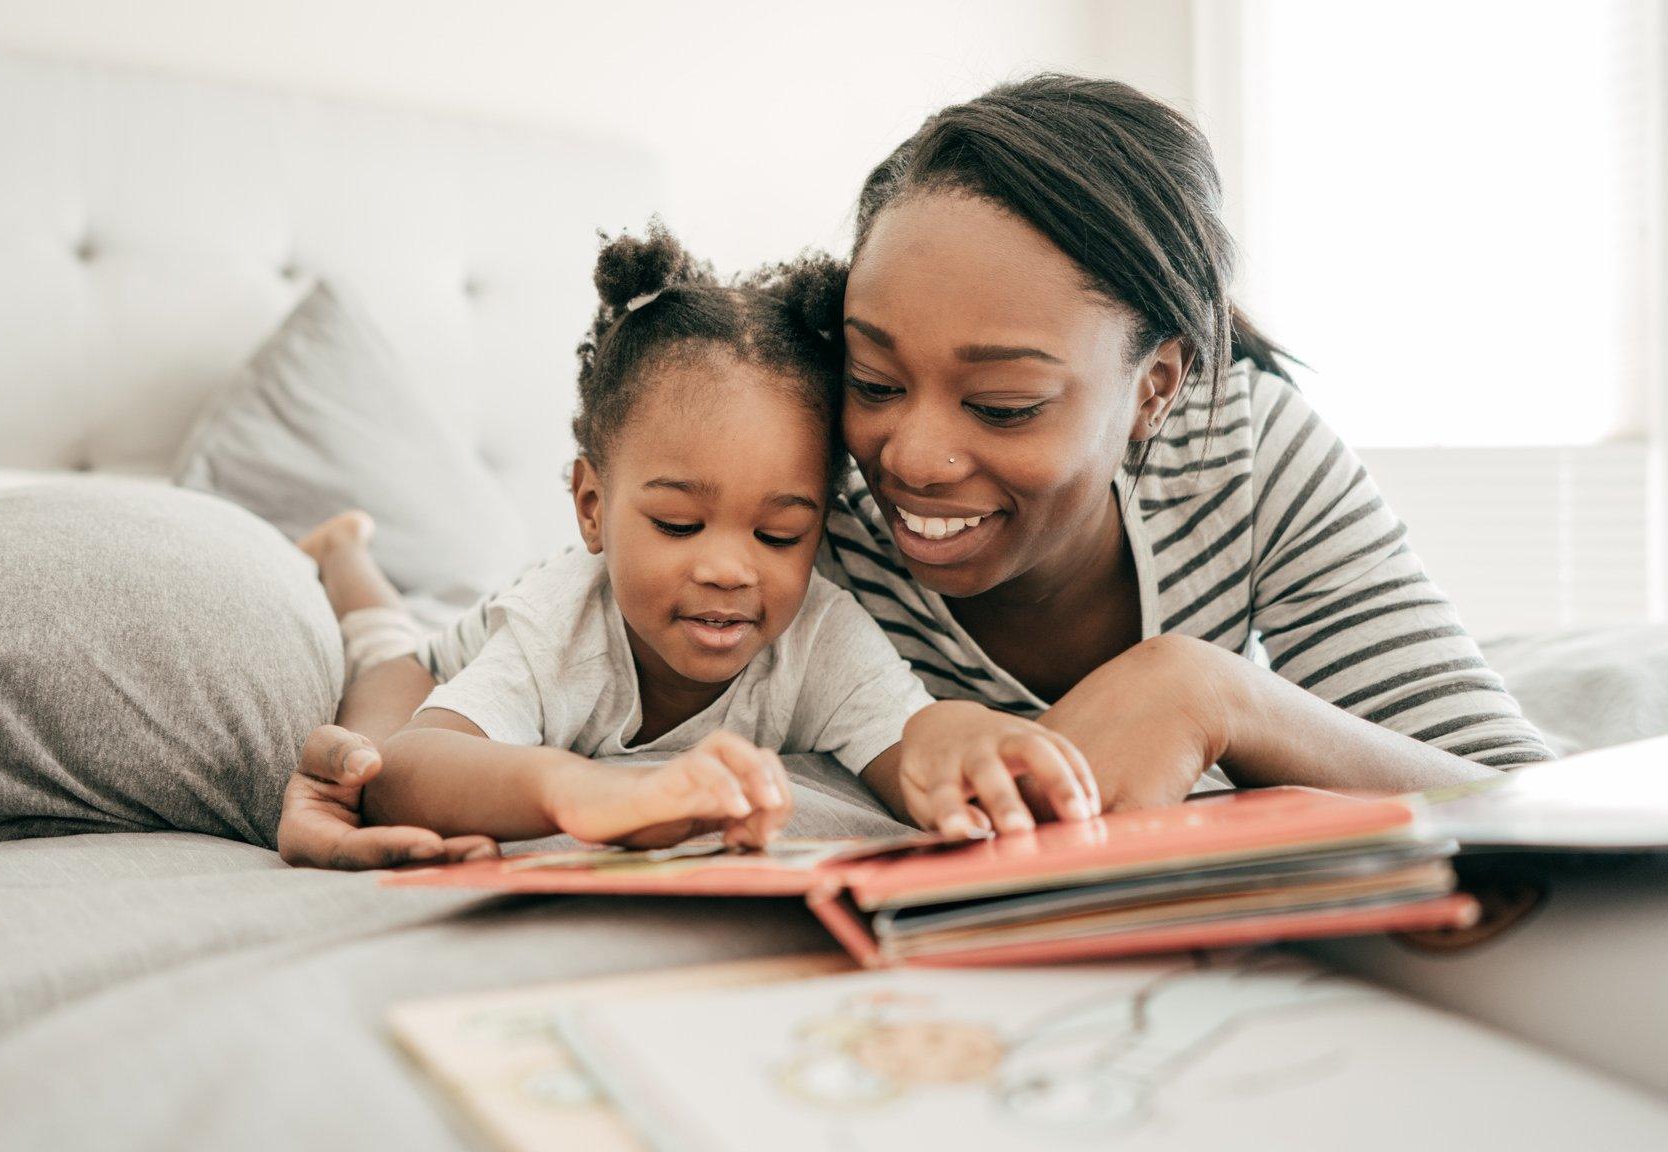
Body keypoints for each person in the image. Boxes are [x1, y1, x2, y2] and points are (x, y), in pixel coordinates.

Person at [282, 75, 1551, 870]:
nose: (911, 458)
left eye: (1002, 401)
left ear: (1158, 386)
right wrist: (369, 759)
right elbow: (553, 653)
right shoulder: (790, 501)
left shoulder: (1250, 453)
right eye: (873, 379)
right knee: (399, 623)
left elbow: (1535, 804)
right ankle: (349, 561)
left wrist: (1217, 694)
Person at [278, 224, 1099, 866]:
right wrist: (583, 792)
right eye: (678, 524)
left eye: (780, 534)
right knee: (386, 655)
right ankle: (346, 554)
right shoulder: (555, 627)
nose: (728, 569)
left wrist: (964, 739)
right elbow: (417, 766)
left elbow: (907, 738)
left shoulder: (821, 635)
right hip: (446, 657)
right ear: (593, 507)